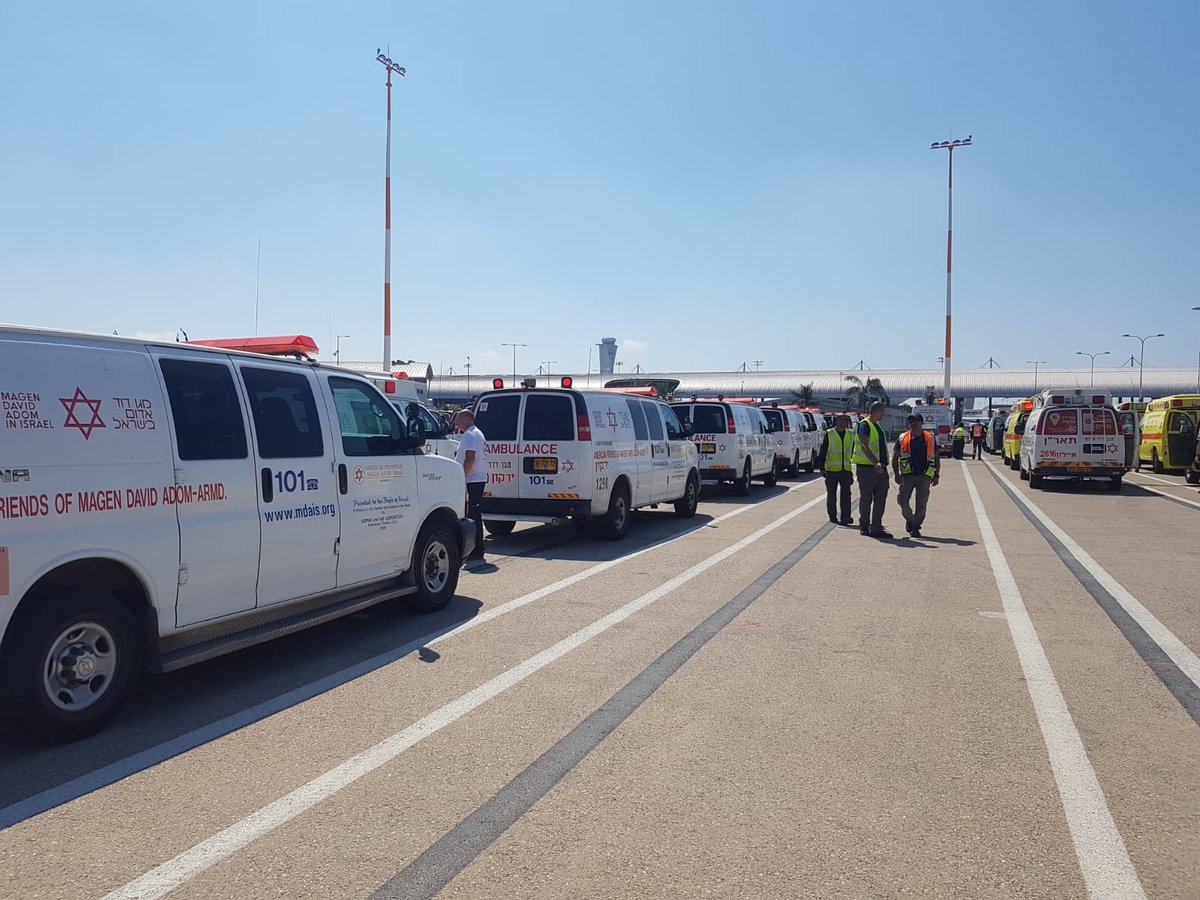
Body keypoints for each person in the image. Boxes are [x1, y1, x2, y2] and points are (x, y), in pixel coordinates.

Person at [892, 414, 941, 538]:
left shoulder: (929, 438)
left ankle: (915, 527)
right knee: (902, 500)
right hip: (907, 476)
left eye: (916, 421)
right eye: (911, 421)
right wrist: (896, 474)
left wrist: (936, 475)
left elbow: (936, 458)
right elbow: (895, 457)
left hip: (924, 476)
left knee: (922, 504)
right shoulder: (903, 437)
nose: (913, 423)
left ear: (921, 423)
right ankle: (910, 519)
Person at [852, 401, 892, 538]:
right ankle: (864, 525)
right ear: (879, 411)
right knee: (867, 497)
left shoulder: (877, 426)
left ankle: (876, 526)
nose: (884, 414)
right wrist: (876, 463)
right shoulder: (865, 425)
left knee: (881, 498)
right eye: (883, 412)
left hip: (881, 469)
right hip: (868, 468)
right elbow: (864, 445)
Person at [454, 409, 488, 564]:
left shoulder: (470, 435)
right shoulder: (475, 433)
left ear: (468, 419)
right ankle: (476, 548)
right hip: (476, 479)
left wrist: (461, 477)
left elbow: (469, 458)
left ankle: (477, 549)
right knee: (474, 513)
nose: (456, 422)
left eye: (459, 419)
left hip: (472, 480)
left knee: (473, 515)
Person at [816, 413, 856, 525]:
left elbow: (853, 450)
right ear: (838, 421)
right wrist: (822, 467)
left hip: (845, 470)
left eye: (846, 420)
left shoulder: (851, 434)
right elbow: (823, 451)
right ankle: (832, 516)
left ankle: (845, 517)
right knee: (832, 495)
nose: (845, 422)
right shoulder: (830, 433)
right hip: (832, 469)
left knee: (846, 495)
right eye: (843, 420)